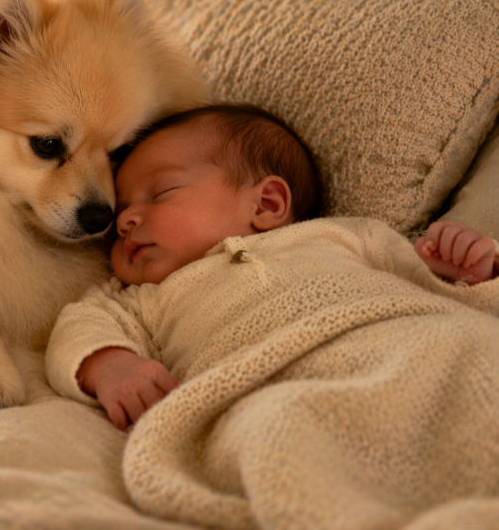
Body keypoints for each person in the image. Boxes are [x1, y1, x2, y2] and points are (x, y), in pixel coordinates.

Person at [46, 104, 499, 430]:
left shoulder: (345, 236)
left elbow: (432, 289)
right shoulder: (139, 300)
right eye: (121, 209)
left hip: (413, 348)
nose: (124, 219)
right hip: (281, 403)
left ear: (267, 203)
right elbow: (80, 327)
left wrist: (466, 270)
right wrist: (111, 367)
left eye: (160, 193)